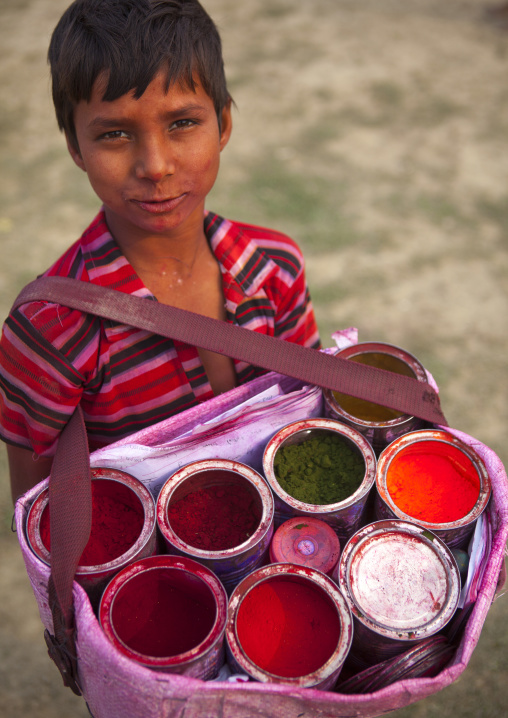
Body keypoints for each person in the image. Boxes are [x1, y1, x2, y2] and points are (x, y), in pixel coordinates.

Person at [0, 0, 320, 503]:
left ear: (224, 125)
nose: (154, 165)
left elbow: (309, 419)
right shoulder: (51, 329)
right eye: (114, 134)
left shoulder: (274, 267)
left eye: (182, 124)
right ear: (76, 148)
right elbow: (42, 519)